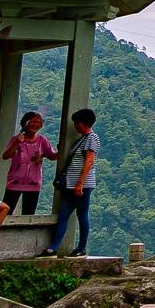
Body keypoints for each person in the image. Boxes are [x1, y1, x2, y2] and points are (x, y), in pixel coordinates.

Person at [45, 108, 98, 257]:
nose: (75, 126)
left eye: (77, 123)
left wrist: (80, 183)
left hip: (82, 185)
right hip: (71, 184)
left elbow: (89, 162)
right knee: (63, 215)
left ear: (84, 123)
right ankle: (54, 247)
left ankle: (81, 248)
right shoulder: (81, 139)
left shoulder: (92, 138)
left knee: (82, 215)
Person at [0, 110, 55, 214]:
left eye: (38, 122)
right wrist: (16, 143)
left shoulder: (42, 140)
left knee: (28, 214)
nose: (35, 125)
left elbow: (52, 156)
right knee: (5, 212)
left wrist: (64, 149)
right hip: (14, 183)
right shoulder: (17, 139)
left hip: (33, 184)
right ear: (25, 123)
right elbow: (5, 156)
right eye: (32, 122)